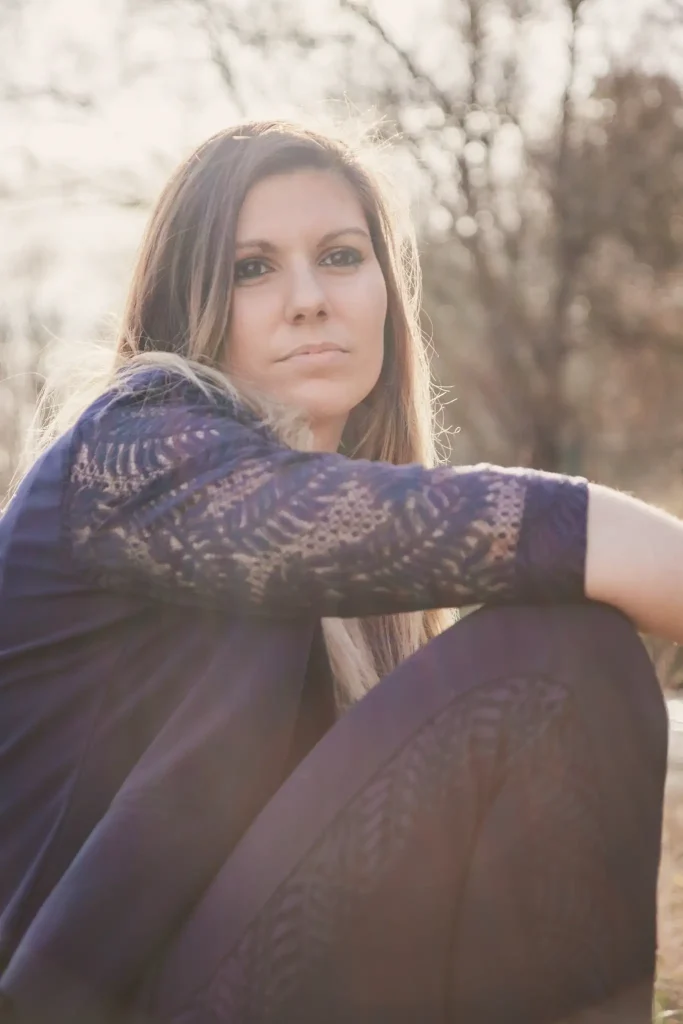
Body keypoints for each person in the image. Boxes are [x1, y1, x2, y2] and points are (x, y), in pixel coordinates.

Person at [0, 119, 676, 1024]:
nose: (309, 299)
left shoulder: (345, 580)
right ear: (186, 300)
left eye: (341, 256)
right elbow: (534, 530)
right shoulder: (136, 450)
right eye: (253, 268)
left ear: (388, 295)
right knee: (558, 664)